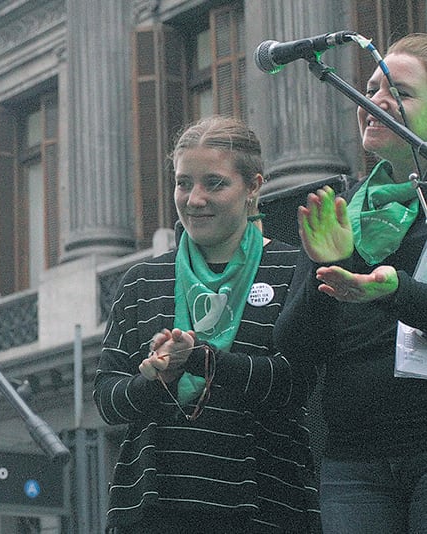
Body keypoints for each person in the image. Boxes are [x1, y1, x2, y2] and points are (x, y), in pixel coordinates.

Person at [93, 116, 320, 533]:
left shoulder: (292, 267)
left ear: (254, 187)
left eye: (214, 183)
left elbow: (293, 384)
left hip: (265, 505)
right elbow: (108, 401)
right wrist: (156, 378)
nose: (194, 199)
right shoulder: (142, 282)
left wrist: (200, 359)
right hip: (151, 508)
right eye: (183, 183)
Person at [274, 33, 427, 534]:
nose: (374, 103)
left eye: (399, 93)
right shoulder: (344, 209)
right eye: (370, 88)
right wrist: (334, 267)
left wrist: (395, 292)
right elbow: (294, 347)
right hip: (353, 460)